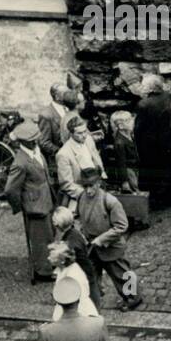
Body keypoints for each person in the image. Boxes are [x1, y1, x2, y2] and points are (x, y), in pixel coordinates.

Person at [75, 168, 143, 311]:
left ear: (99, 183)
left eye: (91, 185)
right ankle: (93, 299)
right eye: (85, 186)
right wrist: (81, 233)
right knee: (90, 274)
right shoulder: (81, 197)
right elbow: (78, 218)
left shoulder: (110, 201)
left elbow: (121, 226)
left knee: (122, 275)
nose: (88, 190)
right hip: (91, 246)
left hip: (111, 246)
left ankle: (133, 299)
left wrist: (101, 239)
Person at [3, 121, 57, 284]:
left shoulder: (35, 151)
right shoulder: (20, 162)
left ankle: (49, 265)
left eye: (36, 139)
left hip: (46, 199)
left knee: (49, 236)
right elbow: (10, 190)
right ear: (23, 142)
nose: (36, 141)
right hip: (35, 206)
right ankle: (43, 271)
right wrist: (22, 206)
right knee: (40, 240)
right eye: (32, 140)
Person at [134, 73, 171, 210]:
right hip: (165, 138)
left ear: (151, 88)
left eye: (143, 85)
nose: (141, 87)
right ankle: (169, 198)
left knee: (152, 173)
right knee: (165, 169)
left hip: (149, 144)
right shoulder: (166, 97)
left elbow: (138, 129)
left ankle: (156, 202)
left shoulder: (144, 104)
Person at [55, 114, 105, 203]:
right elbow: (66, 184)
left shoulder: (88, 139)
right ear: (71, 134)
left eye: (85, 131)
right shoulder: (63, 154)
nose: (84, 135)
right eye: (79, 133)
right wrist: (87, 195)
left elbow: (96, 158)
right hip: (80, 196)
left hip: (97, 188)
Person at [47, 242, 99, 318]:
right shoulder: (62, 269)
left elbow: (78, 299)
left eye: (52, 256)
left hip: (77, 311)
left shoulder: (73, 275)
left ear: (62, 260)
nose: (48, 258)